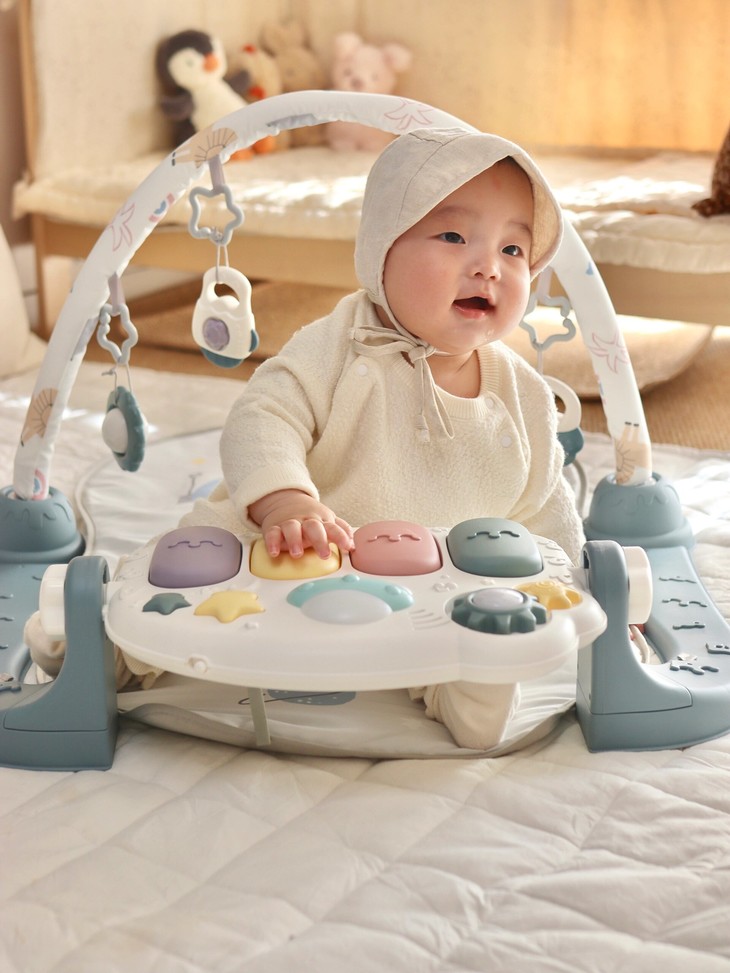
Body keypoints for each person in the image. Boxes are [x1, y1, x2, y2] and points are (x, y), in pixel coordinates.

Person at [29, 127, 585, 750]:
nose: (488, 266)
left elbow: (545, 503)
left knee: (479, 629)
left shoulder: (524, 393)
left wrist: (576, 583)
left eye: (513, 248)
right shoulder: (336, 343)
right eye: (454, 237)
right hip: (286, 546)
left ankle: (468, 688)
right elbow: (263, 417)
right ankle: (107, 647)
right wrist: (285, 500)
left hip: (438, 580)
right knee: (184, 572)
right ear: (381, 248)